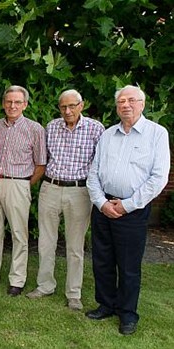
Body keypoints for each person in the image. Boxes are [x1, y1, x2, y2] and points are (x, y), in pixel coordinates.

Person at [86, 85, 170, 335]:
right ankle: (106, 304)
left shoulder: (156, 134)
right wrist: (101, 202)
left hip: (132, 210)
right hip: (103, 207)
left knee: (128, 265)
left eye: (131, 100)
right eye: (121, 101)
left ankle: (127, 313)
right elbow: (93, 172)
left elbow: (158, 178)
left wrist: (126, 205)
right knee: (102, 260)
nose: (126, 105)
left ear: (142, 104)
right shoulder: (108, 134)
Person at [26, 90, 104, 310]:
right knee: (46, 241)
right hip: (50, 187)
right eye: (63, 107)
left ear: (82, 105)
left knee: (75, 245)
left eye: (72, 106)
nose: (67, 111)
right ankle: (45, 286)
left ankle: (73, 293)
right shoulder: (51, 127)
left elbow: (101, 163)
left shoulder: (96, 129)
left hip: (79, 191)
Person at [0, 85, 47, 296]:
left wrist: (25, 184)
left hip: (18, 183)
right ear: (3, 103)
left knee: (19, 233)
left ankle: (17, 279)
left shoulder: (35, 129)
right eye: (9, 101)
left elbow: (41, 164)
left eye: (17, 102)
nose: (12, 105)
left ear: (25, 104)